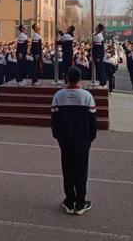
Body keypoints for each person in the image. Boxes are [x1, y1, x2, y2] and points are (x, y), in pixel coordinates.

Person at [51, 66, 97, 215]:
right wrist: (91, 137)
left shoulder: (58, 95)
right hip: (82, 138)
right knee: (81, 170)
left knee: (68, 169)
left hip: (65, 138)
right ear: (80, 79)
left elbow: (55, 119)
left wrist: (57, 136)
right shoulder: (87, 96)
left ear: (66, 78)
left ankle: (70, 201)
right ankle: (81, 202)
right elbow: (92, 120)